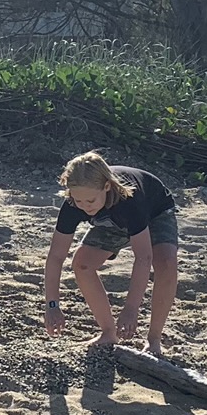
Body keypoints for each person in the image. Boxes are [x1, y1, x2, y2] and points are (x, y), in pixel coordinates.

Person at [41, 151, 180, 356]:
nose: (84, 207)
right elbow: (55, 256)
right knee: (82, 264)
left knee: (166, 263)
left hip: (154, 211)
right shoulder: (74, 203)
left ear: (106, 186)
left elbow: (143, 257)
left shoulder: (129, 201)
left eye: (90, 200)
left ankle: (154, 339)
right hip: (111, 220)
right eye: (78, 201)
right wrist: (52, 304)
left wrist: (131, 309)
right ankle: (108, 332)